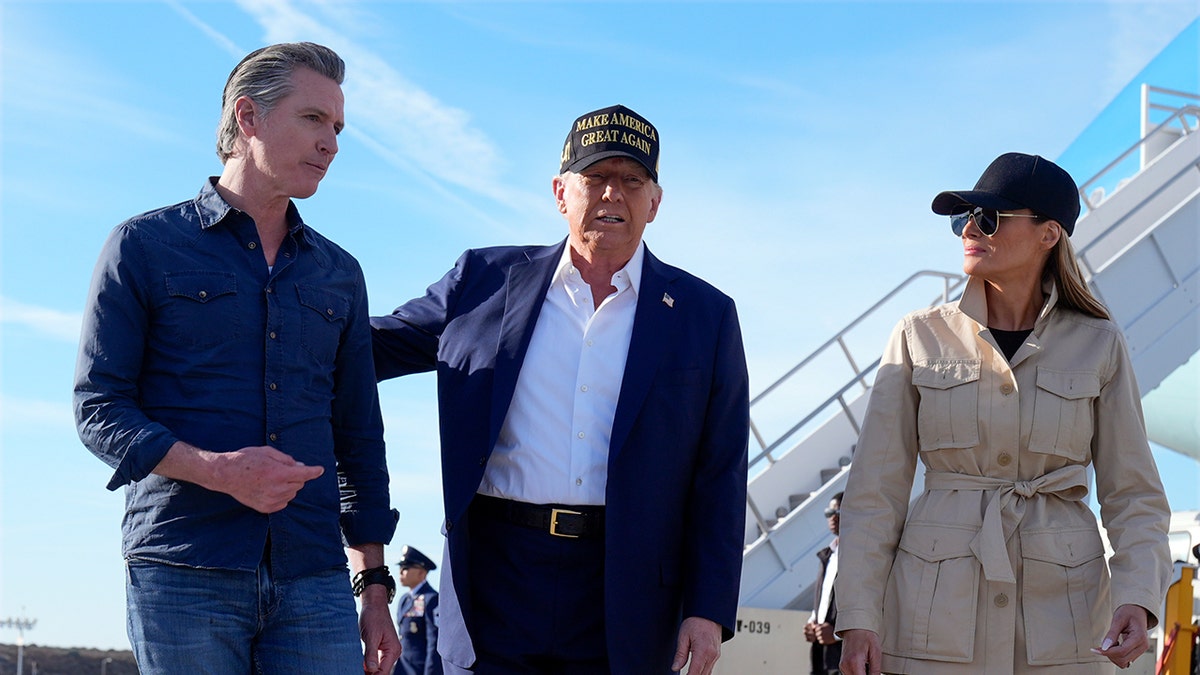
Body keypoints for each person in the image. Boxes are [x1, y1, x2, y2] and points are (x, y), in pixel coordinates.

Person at [371, 104, 750, 675]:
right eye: (595, 177)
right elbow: (371, 347)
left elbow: (721, 472)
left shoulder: (706, 316)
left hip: (627, 588)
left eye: (631, 180)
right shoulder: (483, 281)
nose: (612, 195)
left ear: (655, 200)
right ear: (560, 191)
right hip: (496, 575)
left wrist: (708, 607)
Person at [73, 42, 401, 674]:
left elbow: (359, 438)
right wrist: (216, 470)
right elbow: (98, 408)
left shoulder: (341, 274)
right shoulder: (143, 246)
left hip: (316, 578)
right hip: (183, 568)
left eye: (337, 127)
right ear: (247, 117)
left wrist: (374, 586)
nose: (331, 143)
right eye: (313, 119)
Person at [836, 152, 1172, 675]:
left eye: (990, 217)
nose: (971, 228)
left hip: (1065, 626)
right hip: (933, 624)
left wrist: (1137, 595)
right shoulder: (918, 336)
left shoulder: (1099, 344)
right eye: (963, 217)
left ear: (1049, 233)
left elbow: (1133, 494)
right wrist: (858, 615)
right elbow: (873, 493)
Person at [804, 492, 842, 675]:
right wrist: (812, 622)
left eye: (840, 511)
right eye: (829, 512)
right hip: (821, 656)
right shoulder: (827, 556)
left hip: (843, 657)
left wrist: (836, 634)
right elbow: (824, 599)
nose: (834, 516)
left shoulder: (861, 558)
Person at [393, 545, 443, 675]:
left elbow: (434, 642)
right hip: (402, 669)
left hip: (421, 670)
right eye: (400, 567)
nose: (401, 571)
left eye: (406, 568)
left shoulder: (431, 599)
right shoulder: (404, 600)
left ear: (422, 572)